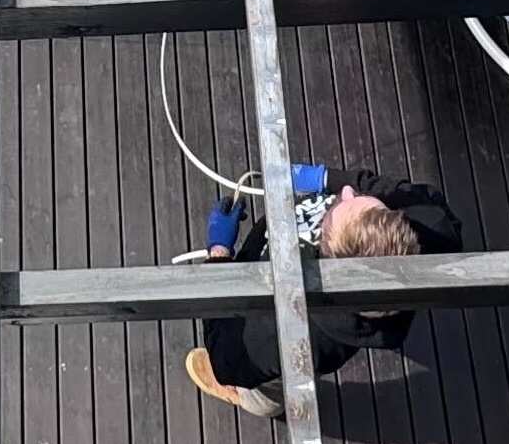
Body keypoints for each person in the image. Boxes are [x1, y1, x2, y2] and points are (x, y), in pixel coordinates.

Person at [184, 166, 463, 417]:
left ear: (326, 254)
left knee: (269, 387)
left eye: (340, 206)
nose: (347, 191)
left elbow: (227, 362)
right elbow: (400, 193)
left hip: (266, 350)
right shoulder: (427, 226)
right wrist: (324, 178)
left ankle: (255, 401)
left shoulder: (285, 333)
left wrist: (219, 254)